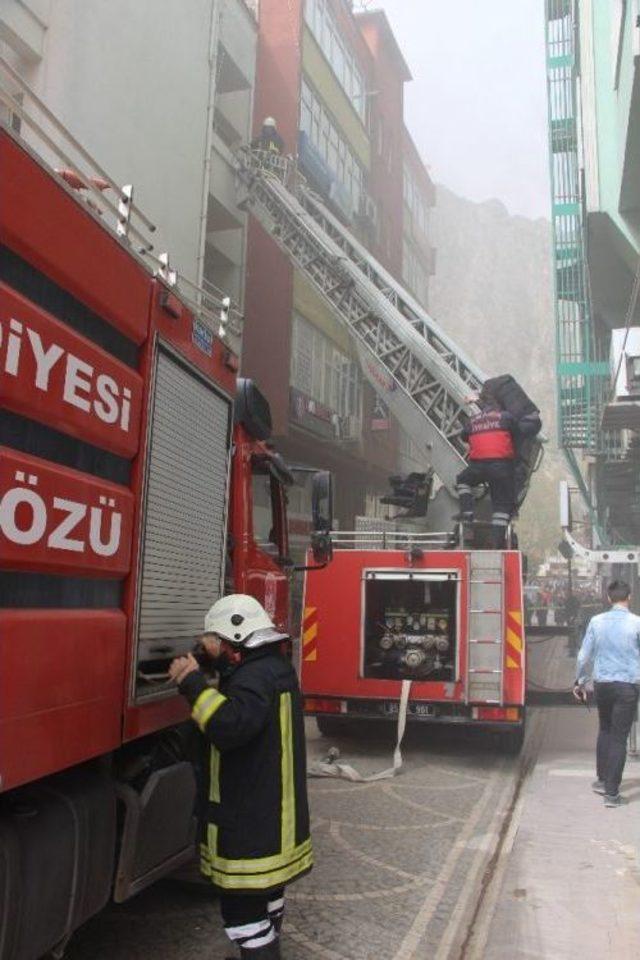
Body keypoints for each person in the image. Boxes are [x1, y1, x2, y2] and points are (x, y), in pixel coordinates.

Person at [169, 594, 312, 958]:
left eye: (211, 642)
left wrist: (192, 683)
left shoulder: (251, 680)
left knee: (242, 914)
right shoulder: (275, 669)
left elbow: (229, 727)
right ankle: (270, 940)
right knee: (268, 895)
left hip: (251, 827)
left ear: (234, 644)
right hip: (275, 821)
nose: (207, 649)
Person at [573, 580, 640, 808]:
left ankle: (602, 780)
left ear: (609, 599)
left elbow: (583, 657)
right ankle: (612, 794)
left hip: (603, 685)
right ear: (628, 597)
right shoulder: (637, 623)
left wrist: (580, 682)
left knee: (605, 729)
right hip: (627, 686)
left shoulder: (596, 621)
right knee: (619, 737)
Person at [456, 384, 518, 548]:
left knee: (462, 480)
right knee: (501, 506)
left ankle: (467, 513)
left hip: (479, 466)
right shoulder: (505, 417)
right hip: (501, 468)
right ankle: (498, 542)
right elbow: (518, 432)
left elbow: (464, 436)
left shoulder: (473, 421)